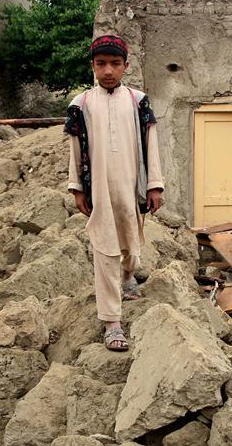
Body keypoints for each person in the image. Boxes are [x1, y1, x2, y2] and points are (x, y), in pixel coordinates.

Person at [65, 35, 164, 352]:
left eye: (115, 64)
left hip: (131, 187)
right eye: (101, 64)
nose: (108, 70)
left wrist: (154, 185)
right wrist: (77, 188)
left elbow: (151, 143)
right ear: (93, 66)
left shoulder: (138, 101)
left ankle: (128, 274)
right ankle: (112, 322)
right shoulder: (81, 104)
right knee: (104, 249)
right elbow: (75, 149)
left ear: (126, 66)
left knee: (131, 246)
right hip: (99, 190)